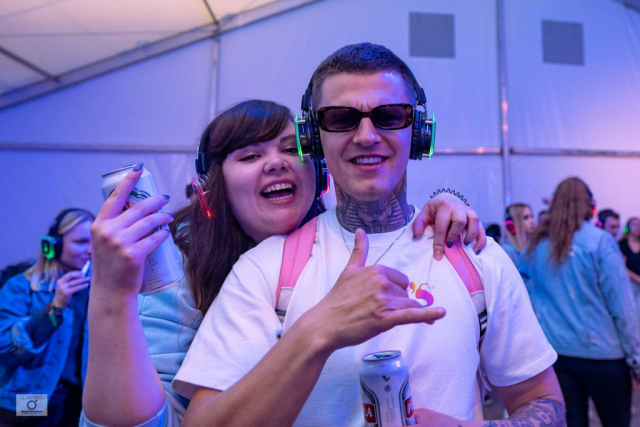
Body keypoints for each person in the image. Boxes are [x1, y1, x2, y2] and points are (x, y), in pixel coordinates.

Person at [174, 43, 563, 426]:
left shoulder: (476, 257)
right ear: (313, 139)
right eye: (341, 119)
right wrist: (317, 330)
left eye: (389, 116)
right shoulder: (264, 269)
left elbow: (545, 403)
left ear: (418, 133)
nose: (366, 136)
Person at [81, 100, 486, 426]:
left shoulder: (344, 253)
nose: (276, 163)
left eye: (293, 149)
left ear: (320, 174)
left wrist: (443, 206)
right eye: (250, 155)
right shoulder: (178, 276)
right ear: (211, 186)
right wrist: (112, 294)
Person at [521, 177, 640, 427]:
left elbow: (522, 292)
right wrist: (636, 358)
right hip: (603, 355)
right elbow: (623, 307)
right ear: (589, 204)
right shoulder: (599, 241)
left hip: (557, 355)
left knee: (572, 422)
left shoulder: (537, 244)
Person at [0, 208, 94, 426]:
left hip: (76, 402)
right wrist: (55, 306)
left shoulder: (98, 292)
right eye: (81, 242)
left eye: (93, 242)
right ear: (53, 245)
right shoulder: (21, 286)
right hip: (30, 399)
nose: (90, 250)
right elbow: (4, 349)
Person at [620, 216, 640, 305]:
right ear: (628, 227)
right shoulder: (622, 244)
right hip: (628, 283)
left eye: (639, 225)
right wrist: (637, 279)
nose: (637, 227)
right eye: (635, 225)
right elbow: (621, 267)